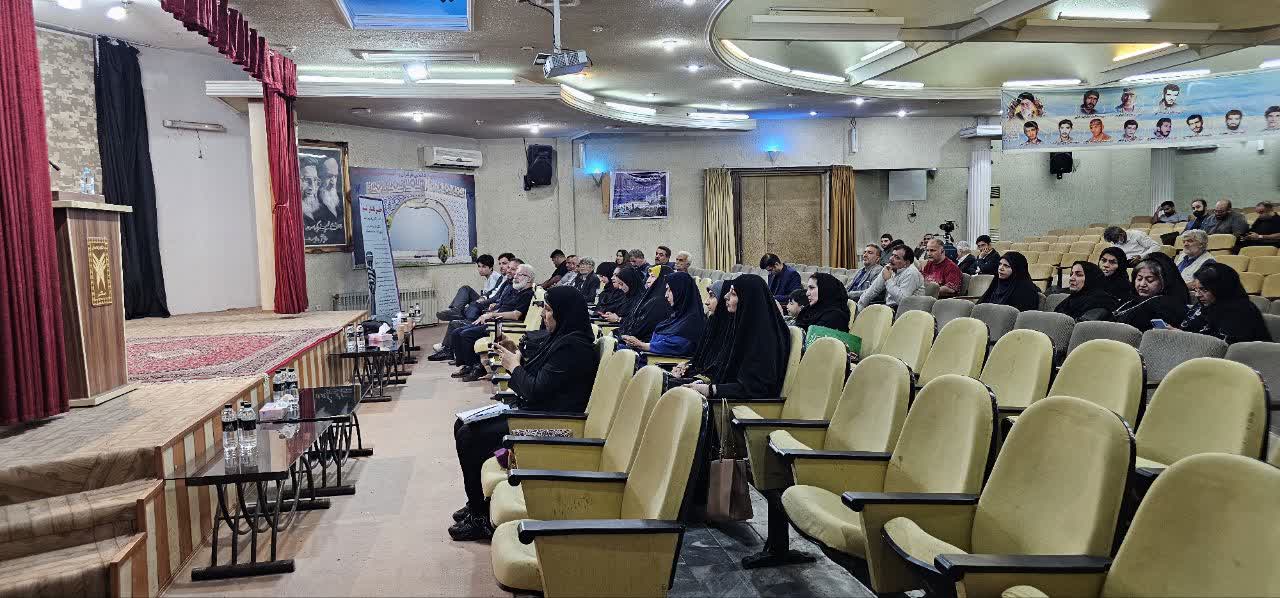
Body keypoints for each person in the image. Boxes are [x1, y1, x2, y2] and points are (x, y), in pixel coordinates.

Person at [448, 286, 599, 541]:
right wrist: (517, 356)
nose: (543, 315)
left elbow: (534, 391)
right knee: (462, 427)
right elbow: (543, 381)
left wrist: (513, 367)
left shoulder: (574, 348)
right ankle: (478, 503)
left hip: (551, 424)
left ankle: (479, 517)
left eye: (548, 310)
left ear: (564, 313)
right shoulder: (563, 338)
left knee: (469, 436)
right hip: (537, 412)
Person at [684, 275, 790, 401]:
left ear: (748, 300)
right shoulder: (742, 329)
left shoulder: (764, 339)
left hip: (746, 408)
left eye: (733, 294)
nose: (725, 296)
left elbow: (756, 388)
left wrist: (711, 390)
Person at [446, 263, 537, 382]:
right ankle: (468, 365)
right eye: (516, 274)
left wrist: (492, 315)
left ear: (528, 278)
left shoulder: (527, 294)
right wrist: (488, 314)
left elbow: (516, 315)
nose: (515, 276)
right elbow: (502, 307)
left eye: (519, 274)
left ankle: (477, 368)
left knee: (466, 334)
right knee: (456, 332)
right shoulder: (516, 291)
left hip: (503, 326)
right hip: (495, 321)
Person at [1178, 263, 1272, 344]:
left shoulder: (1242, 311)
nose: (1197, 295)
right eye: (1196, 289)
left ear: (1221, 289)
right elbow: (1186, 329)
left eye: (1204, 290)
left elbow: (1222, 346)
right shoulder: (1203, 304)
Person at [622, 271, 704, 357]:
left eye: (670, 290)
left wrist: (642, 345)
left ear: (681, 292)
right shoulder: (676, 317)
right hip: (649, 356)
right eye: (666, 290)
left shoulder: (692, 321)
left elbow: (678, 346)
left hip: (658, 362)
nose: (666, 295)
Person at [1111, 254, 1188, 332]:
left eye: (1150, 280)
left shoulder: (1168, 306)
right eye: (1139, 279)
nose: (1142, 284)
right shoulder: (1129, 299)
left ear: (1164, 281)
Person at [436, 253, 504, 321]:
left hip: (489, 304)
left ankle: (455, 311)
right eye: (479, 266)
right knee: (462, 305)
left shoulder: (495, 277)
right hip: (485, 302)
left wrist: (482, 299)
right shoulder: (488, 277)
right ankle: (455, 311)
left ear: (491, 268)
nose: (480, 269)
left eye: (484, 267)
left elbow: (493, 296)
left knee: (466, 289)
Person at [614, 265, 672, 342]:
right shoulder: (648, 298)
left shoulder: (658, 302)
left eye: (652, 276)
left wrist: (620, 334)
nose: (648, 280)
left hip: (644, 344)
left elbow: (639, 329)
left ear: (662, 279)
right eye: (649, 276)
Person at [858, 244, 924, 310]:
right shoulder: (889, 268)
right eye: (892, 255)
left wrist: (888, 280)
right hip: (890, 308)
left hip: (908, 311)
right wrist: (860, 306)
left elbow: (903, 301)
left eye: (897, 257)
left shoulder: (911, 272)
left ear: (906, 263)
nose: (891, 259)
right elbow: (873, 290)